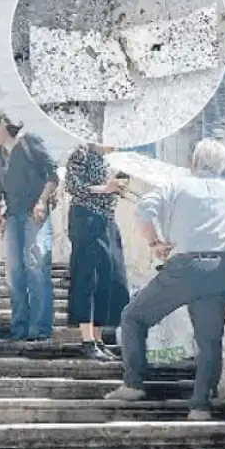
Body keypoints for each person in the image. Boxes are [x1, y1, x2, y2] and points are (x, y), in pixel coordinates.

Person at [105, 139, 225, 421]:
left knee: (133, 317)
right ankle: (200, 406)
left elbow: (143, 210)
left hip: (184, 268)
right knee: (209, 341)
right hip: (220, 269)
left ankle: (134, 384)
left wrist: (154, 243)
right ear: (222, 166)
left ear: (193, 161)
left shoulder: (177, 185)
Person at [0, 107, 58, 341]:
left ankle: (40, 330)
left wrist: (42, 202)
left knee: (36, 267)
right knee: (14, 272)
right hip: (12, 216)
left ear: (2, 123)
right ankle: (19, 328)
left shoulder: (29, 142)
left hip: (35, 215)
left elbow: (53, 175)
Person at [64, 143, 130, 361]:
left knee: (110, 277)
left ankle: (98, 338)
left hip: (107, 220)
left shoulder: (110, 161)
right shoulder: (81, 153)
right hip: (86, 218)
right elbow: (72, 185)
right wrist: (104, 188)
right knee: (87, 276)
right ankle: (87, 340)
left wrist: (117, 187)